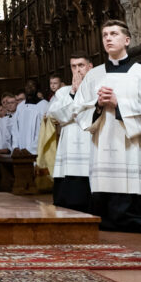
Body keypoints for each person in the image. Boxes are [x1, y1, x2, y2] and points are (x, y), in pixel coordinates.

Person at [71, 20, 141, 232]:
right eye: (104, 35)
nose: (108, 38)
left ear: (127, 40)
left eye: (113, 34)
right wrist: (98, 106)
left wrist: (120, 104)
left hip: (137, 148)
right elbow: (78, 111)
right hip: (105, 144)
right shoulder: (93, 76)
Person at [48, 52, 95, 212]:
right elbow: (56, 115)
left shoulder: (99, 88)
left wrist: (74, 111)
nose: (77, 70)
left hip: (90, 140)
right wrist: (74, 92)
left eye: (81, 65)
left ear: (90, 67)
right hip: (70, 144)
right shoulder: (63, 92)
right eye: (73, 66)